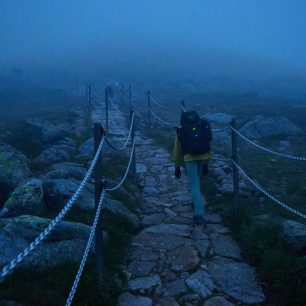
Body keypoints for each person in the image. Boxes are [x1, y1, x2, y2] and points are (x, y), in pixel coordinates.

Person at [172, 110, 212, 224]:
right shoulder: (201, 124)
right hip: (203, 155)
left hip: (190, 157)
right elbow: (208, 143)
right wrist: (207, 162)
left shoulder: (181, 128)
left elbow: (177, 149)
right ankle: (196, 202)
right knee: (197, 180)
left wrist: (177, 166)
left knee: (194, 183)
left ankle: (199, 214)